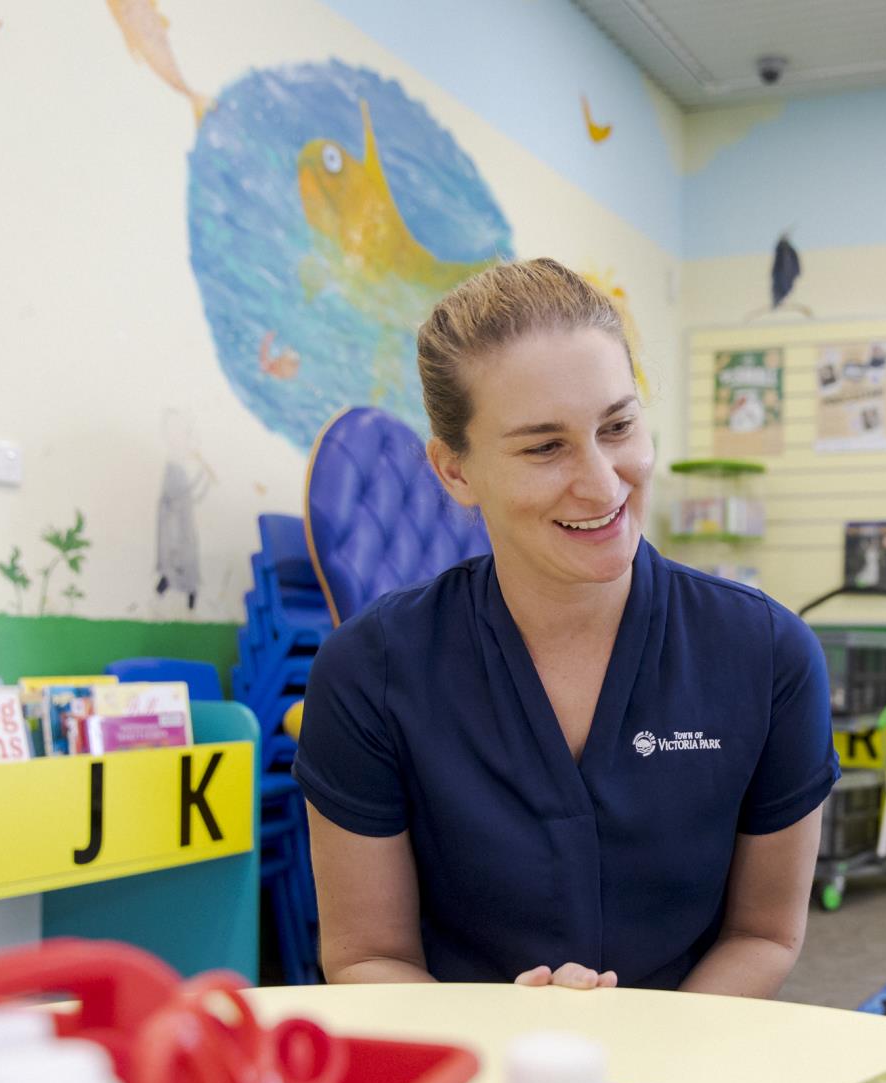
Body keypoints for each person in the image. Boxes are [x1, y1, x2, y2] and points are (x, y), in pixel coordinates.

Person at [294, 259, 838, 995]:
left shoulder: (768, 657)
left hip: (692, 1073)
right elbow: (367, 956)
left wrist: (646, 1056)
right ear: (455, 471)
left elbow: (765, 933)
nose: (603, 481)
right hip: (470, 1082)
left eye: (617, 426)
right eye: (545, 446)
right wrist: (502, 1041)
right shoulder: (371, 671)